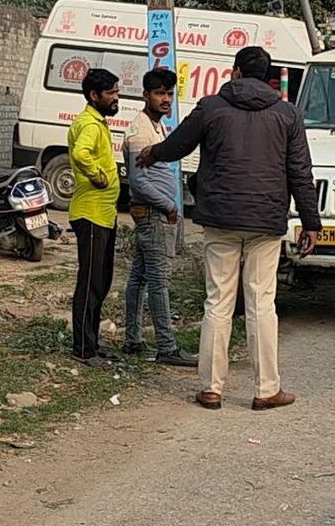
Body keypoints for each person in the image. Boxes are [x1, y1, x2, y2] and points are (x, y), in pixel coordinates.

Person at [138, 46, 321, 411]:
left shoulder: (211, 107)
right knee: (260, 303)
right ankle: (267, 389)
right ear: (268, 78)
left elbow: (177, 145)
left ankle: (211, 388)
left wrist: (151, 153)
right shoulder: (287, 114)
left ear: (235, 72)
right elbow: (300, 172)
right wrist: (311, 222)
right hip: (266, 222)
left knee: (218, 302)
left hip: (220, 217)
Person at [122, 68, 197, 368]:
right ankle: (167, 345)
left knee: (139, 279)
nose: (166, 100)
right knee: (159, 281)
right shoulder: (141, 130)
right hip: (153, 215)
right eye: (159, 94)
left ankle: (133, 339)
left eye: (169, 94)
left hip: (154, 214)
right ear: (146, 96)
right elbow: (139, 182)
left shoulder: (156, 126)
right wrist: (169, 205)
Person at [68, 68, 121, 369]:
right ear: (94, 96)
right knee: (89, 284)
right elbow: (80, 154)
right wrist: (98, 176)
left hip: (103, 215)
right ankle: (83, 349)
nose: (116, 98)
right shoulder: (89, 124)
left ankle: (93, 344)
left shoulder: (97, 122)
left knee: (100, 282)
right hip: (90, 214)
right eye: (111, 93)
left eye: (116, 92)